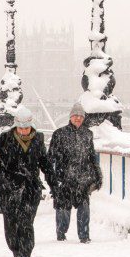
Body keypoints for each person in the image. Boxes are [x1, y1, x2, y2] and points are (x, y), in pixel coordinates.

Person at [0, 106, 53, 257]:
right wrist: (4, 181)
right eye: (21, 128)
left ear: (31, 125)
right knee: (11, 228)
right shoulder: (5, 139)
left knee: (26, 225)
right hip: (9, 190)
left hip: (30, 190)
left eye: (26, 128)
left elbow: (44, 163)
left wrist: (53, 182)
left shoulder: (38, 140)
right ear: (16, 125)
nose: (24, 131)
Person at [47, 104, 101, 243]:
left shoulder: (88, 134)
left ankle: (84, 236)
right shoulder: (59, 134)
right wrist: (52, 178)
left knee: (84, 208)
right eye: (75, 115)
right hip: (63, 178)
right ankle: (61, 235)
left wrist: (97, 175)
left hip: (83, 179)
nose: (78, 118)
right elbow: (50, 158)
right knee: (63, 209)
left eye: (81, 116)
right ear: (70, 117)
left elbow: (91, 156)